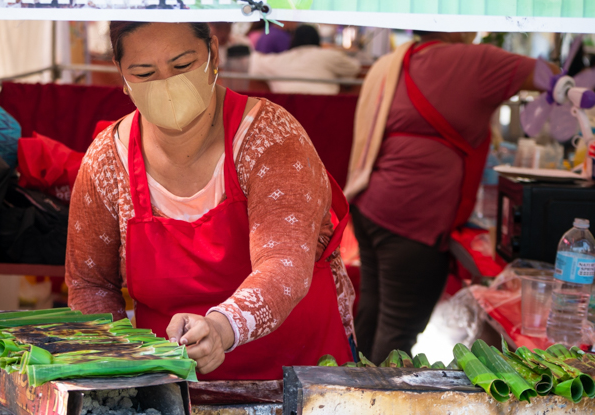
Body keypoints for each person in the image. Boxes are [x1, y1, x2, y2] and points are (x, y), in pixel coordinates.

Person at [66, 22, 356, 380]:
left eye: (182, 65)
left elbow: (283, 266)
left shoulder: (270, 138)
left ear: (213, 55)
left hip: (302, 378)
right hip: (173, 389)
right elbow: (90, 285)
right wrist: (119, 371)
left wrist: (220, 328)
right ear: (122, 76)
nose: (167, 84)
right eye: (144, 73)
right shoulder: (108, 161)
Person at [344, 31, 559, 364]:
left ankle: (349, 393)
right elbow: (549, 75)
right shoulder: (477, 61)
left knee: (374, 310)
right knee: (398, 330)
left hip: (372, 204)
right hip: (412, 218)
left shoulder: (404, 59)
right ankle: (371, 408)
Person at [249, 24, 361, 95]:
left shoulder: (280, 60)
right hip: (325, 112)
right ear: (318, 39)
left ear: (292, 40)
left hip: (289, 117)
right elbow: (354, 68)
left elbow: (254, 63)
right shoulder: (329, 56)